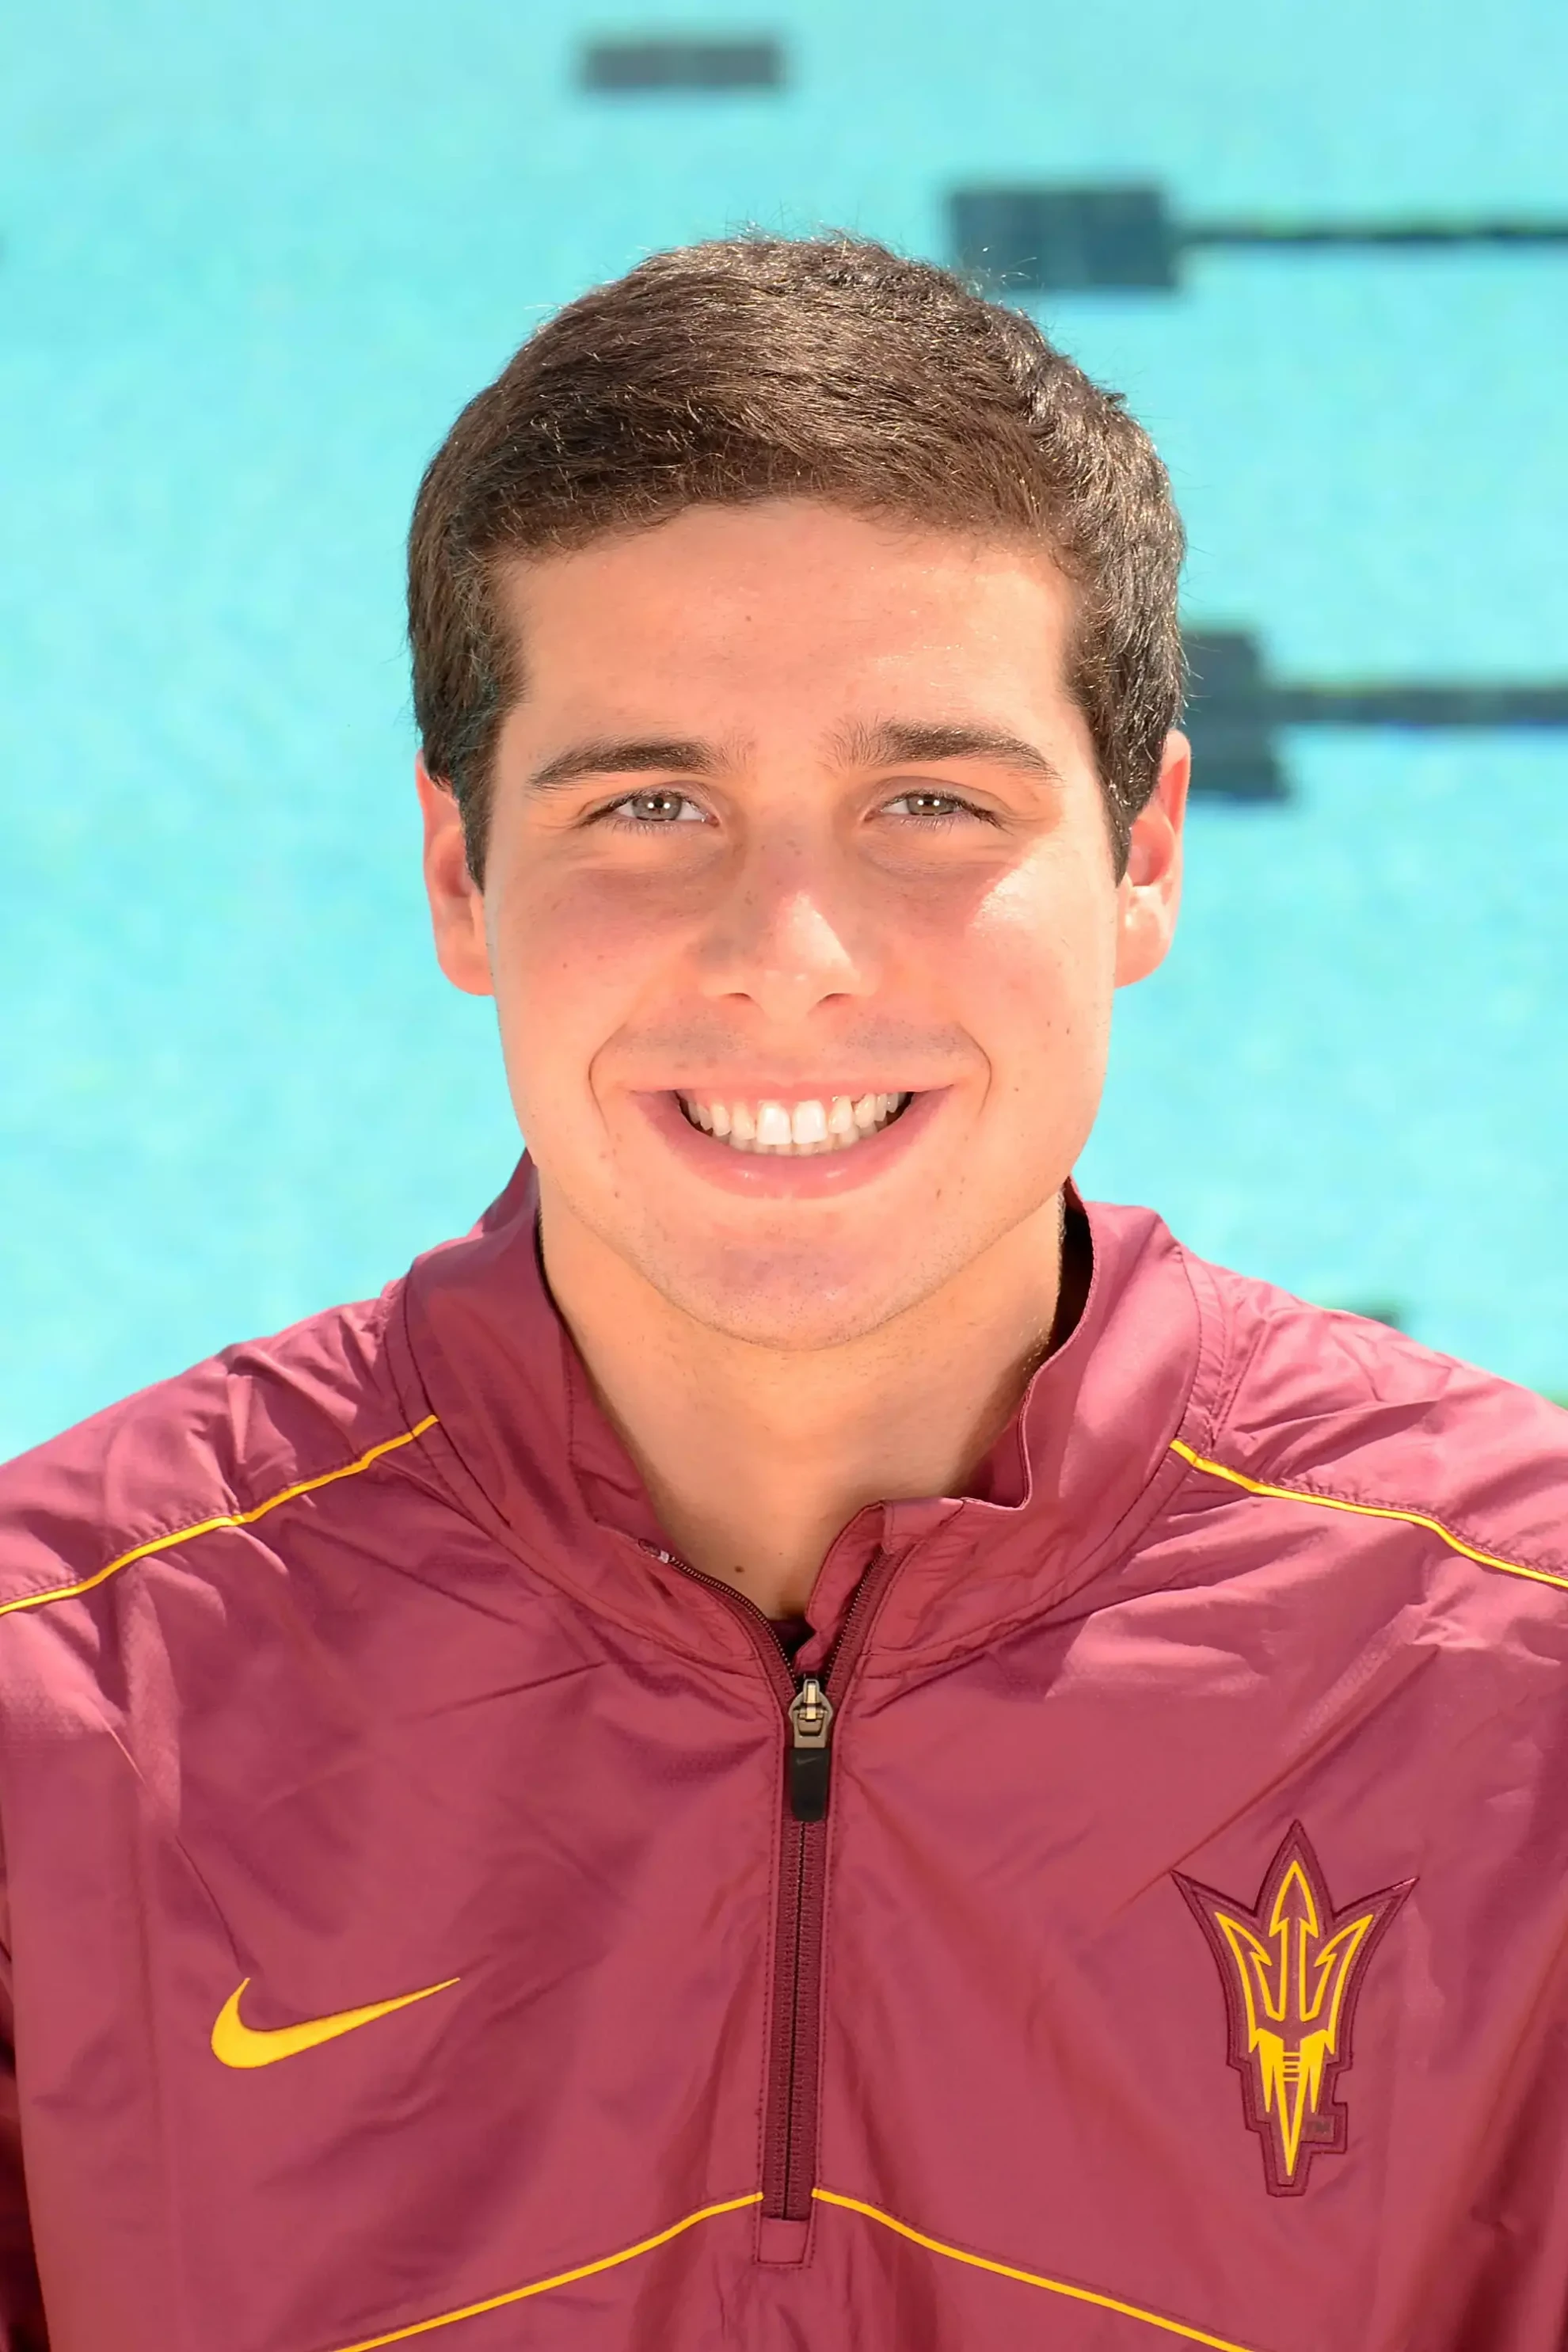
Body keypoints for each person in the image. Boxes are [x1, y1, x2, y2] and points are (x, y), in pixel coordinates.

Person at [1, 234, 1565, 2352]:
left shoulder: (1508, 1670)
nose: (790, 954)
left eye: (930, 801)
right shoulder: (69, 1705)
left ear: (1142, 858)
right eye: (651, 804)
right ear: (462, 875)